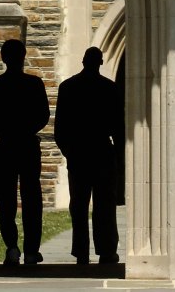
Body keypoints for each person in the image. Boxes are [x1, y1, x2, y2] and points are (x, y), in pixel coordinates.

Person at [0, 39, 51, 266]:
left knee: (6, 199)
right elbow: (43, 116)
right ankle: (32, 250)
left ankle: (12, 247)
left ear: (3, 58)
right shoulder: (34, 84)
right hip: (28, 146)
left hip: (6, 145)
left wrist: (7, 131)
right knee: (32, 199)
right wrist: (25, 129)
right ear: (24, 56)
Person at [54, 47, 124, 264]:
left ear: (83, 61)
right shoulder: (109, 89)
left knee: (79, 205)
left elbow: (60, 128)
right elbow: (118, 127)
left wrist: (69, 151)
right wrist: (118, 155)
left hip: (80, 152)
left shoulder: (68, 88)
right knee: (104, 205)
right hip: (101, 151)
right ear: (100, 62)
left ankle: (81, 250)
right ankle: (106, 250)